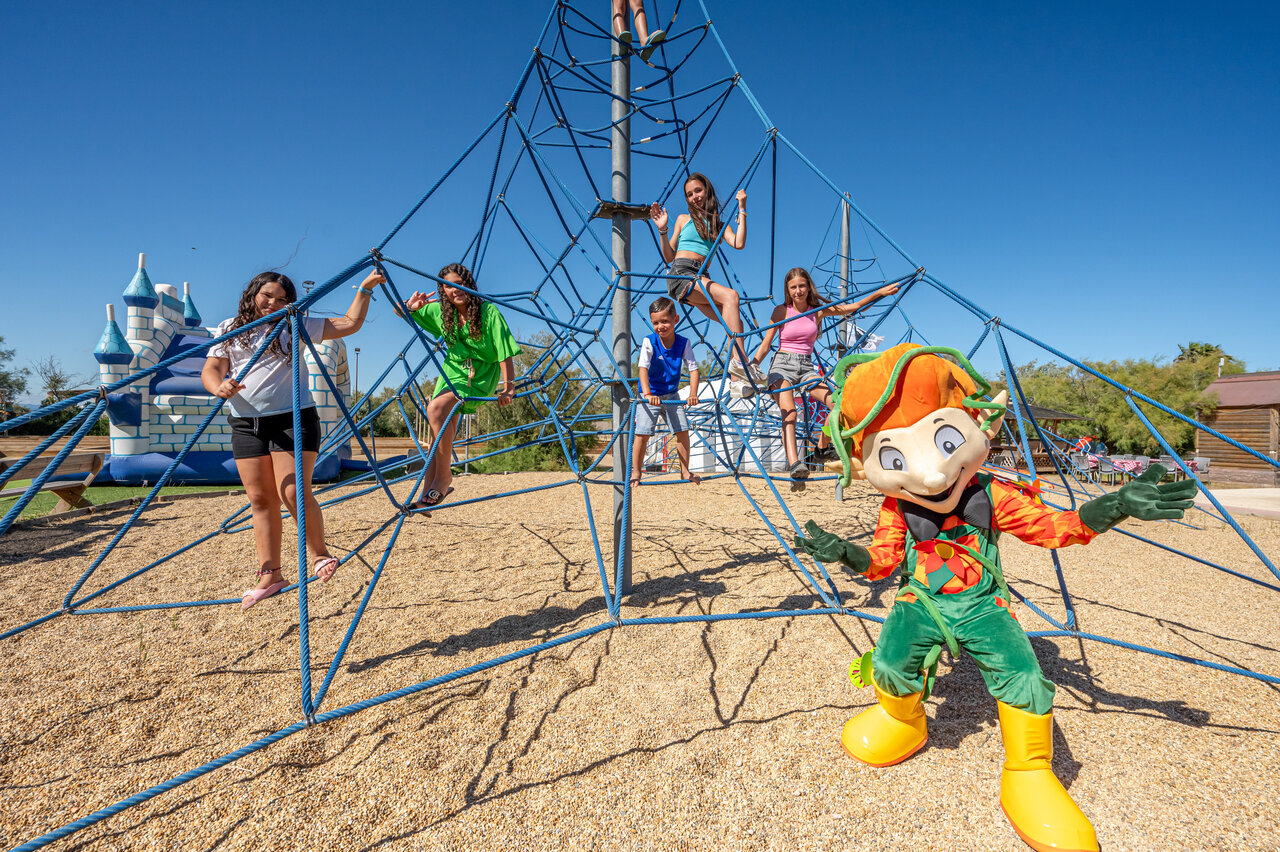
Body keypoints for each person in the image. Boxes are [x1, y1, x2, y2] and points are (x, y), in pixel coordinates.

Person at [794, 343, 1197, 852]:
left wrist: (1115, 504)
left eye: (944, 441)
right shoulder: (897, 508)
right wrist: (845, 555)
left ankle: (1030, 772)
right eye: (895, 457)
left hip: (983, 604)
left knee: (1026, 678)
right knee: (892, 664)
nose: (933, 476)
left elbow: (1056, 527)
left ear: (973, 420)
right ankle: (902, 718)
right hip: (921, 602)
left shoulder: (993, 494)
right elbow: (883, 561)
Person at [202, 268, 381, 610]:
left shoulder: (293, 324)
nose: (273, 303)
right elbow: (211, 370)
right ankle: (270, 575)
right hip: (246, 422)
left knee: (292, 492)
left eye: (282, 299)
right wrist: (218, 386)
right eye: (267, 295)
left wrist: (365, 289)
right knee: (259, 499)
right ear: (252, 293)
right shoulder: (229, 328)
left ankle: (318, 554)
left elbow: (348, 324)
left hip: (292, 419)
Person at [749, 268, 899, 480]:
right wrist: (751, 366)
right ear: (787, 290)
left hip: (806, 367)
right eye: (793, 287)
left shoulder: (817, 311)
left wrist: (880, 293)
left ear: (808, 287)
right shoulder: (780, 311)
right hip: (781, 366)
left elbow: (852, 308)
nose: (798, 291)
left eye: (801, 286)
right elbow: (765, 345)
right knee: (789, 411)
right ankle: (795, 464)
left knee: (838, 403)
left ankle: (821, 447)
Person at [402, 263, 520, 508]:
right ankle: (427, 493)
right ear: (443, 290)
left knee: (435, 410)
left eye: (460, 283)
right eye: (448, 285)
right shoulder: (442, 313)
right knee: (439, 426)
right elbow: (400, 312)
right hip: (452, 372)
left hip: (478, 375)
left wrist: (509, 387)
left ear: (469, 284)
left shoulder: (488, 312)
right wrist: (409, 307)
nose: (455, 289)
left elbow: (504, 351)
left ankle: (444, 478)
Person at [649, 173, 764, 388]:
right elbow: (669, 256)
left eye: (698, 191)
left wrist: (742, 208)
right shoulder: (684, 219)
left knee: (734, 322)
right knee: (731, 296)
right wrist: (663, 229)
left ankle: (736, 381)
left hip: (701, 276)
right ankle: (742, 363)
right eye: (689, 194)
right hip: (681, 274)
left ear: (707, 191)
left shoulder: (719, 225)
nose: (694, 197)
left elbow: (738, 243)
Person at [631, 297, 701, 486]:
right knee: (642, 433)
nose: (660, 326)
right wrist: (647, 395)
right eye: (656, 322)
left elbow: (693, 369)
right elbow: (642, 368)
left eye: (665, 321)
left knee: (682, 431)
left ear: (675, 319)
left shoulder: (683, 343)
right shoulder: (649, 341)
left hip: (671, 394)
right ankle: (636, 472)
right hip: (650, 393)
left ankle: (685, 471)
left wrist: (693, 393)